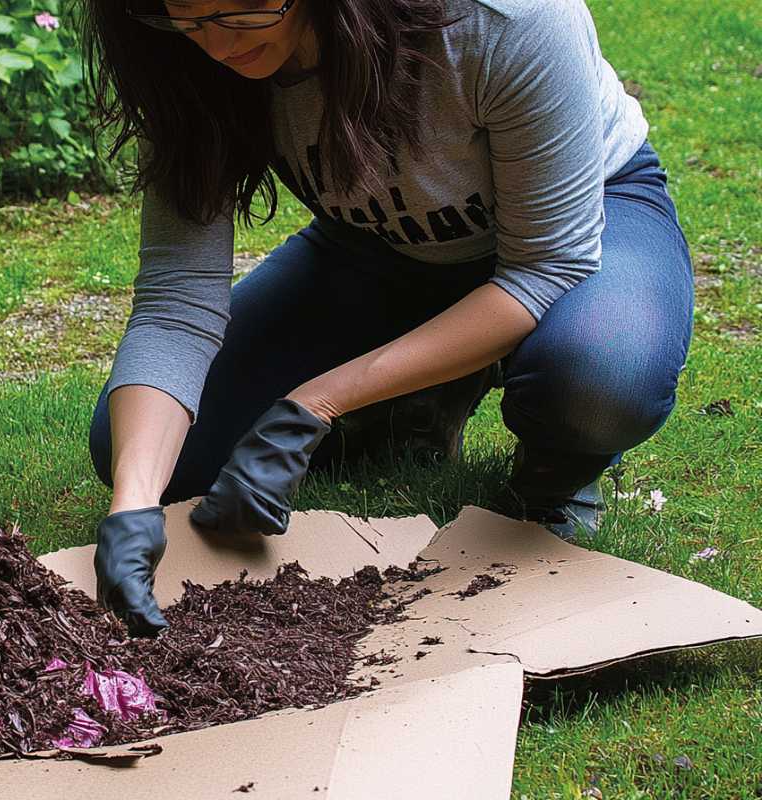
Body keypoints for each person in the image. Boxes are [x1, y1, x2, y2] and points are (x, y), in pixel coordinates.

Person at [81, 0, 694, 635]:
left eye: (243, 10)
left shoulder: (503, 19)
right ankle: (417, 396)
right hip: (383, 245)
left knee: (599, 379)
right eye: (188, 17)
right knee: (145, 453)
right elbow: (177, 300)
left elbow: (543, 264)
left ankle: (559, 471)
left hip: (584, 226)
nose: (216, 45)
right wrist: (133, 506)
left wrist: (319, 401)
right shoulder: (175, 50)